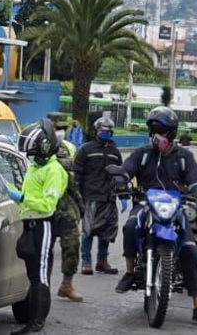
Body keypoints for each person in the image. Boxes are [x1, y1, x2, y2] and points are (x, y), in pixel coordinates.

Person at [116, 106, 197, 324]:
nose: (155, 136)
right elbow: (125, 170)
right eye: (153, 131)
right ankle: (130, 272)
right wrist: (120, 182)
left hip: (175, 209)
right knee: (130, 227)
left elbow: (196, 179)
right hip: (144, 204)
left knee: (190, 247)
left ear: (171, 133)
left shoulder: (184, 156)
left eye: (160, 131)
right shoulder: (142, 154)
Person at [0, 118, 68, 334]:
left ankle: (36, 325)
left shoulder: (54, 171)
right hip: (29, 224)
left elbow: (47, 204)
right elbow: (28, 196)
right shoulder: (36, 167)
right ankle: (32, 321)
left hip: (43, 225)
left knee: (40, 277)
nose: (31, 157)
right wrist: (4, 186)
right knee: (32, 275)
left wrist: (20, 196)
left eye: (35, 153)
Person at [73, 117, 123, 276]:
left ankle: (102, 261)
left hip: (109, 197)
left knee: (107, 232)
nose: (105, 133)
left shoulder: (115, 152)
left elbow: (120, 174)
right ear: (96, 131)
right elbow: (77, 173)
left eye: (108, 131)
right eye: (102, 130)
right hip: (91, 196)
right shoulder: (86, 149)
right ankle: (86, 262)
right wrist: (77, 193)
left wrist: (122, 193)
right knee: (88, 231)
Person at [46, 112, 83, 302]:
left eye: (62, 129)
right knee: (43, 249)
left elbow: (73, 181)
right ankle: (40, 286)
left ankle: (66, 284)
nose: (60, 132)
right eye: (56, 128)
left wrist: (79, 204)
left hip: (66, 204)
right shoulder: (39, 147)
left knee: (72, 244)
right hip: (45, 205)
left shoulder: (67, 148)